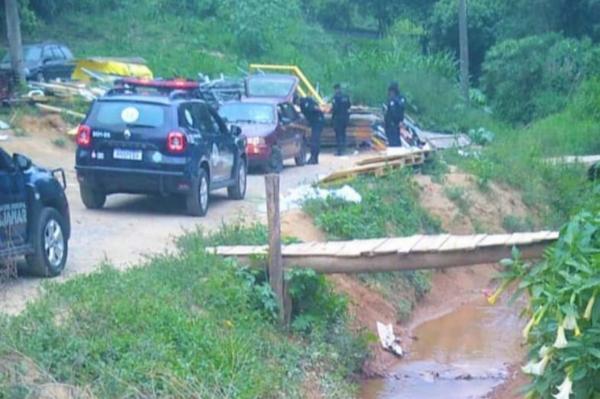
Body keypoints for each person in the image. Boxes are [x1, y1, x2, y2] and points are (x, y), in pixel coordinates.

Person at [297, 95, 325, 164]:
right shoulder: (305, 102)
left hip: (317, 122)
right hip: (316, 121)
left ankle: (313, 158)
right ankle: (314, 158)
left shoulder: (305, 103)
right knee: (315, 141)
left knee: (314, 141)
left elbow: (314, 108)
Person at [331, 83, 351, 156]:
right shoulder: (346, 96)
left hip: (338, 118)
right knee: (343, 133)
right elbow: (349, 106)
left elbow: (334, 108)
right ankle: (344, 149)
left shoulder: (335, 97)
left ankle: (339, 151)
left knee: (338, 134)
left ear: (336, 89)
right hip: (345, 118)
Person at [384, 82, 406, 147]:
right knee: (395, 139)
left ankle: (396, 153)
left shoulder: (393, 101)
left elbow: (393, 113)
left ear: (393, 91)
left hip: (392, 124)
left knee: (393, 141)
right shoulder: (401, 99)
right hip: (395, 124)